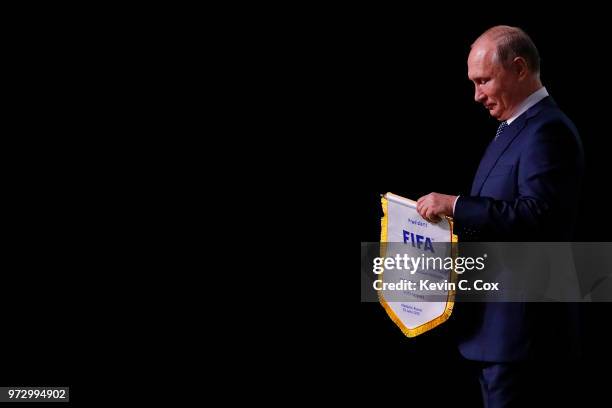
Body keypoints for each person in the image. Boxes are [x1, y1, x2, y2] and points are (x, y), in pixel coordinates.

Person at [416, 26, 584, 406]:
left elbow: (538, 215)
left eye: (484, 81)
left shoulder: (548, 130)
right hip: (496, 331)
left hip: (522, 336)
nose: (477, 95)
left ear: (520, 68)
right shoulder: (513, 129)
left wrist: (455, 206)